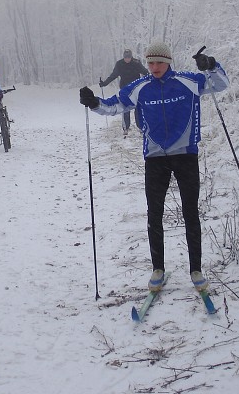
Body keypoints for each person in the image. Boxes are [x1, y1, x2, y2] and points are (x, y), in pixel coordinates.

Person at [79, 41, 229, 294]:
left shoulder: (188, 81)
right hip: (155, 158)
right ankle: (157, 269)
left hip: (185, 155)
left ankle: (196, 270)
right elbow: (115, 105)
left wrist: (211, 65)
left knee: (190, 213)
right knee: (154, 214)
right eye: (150, 62)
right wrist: (94, 102)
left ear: (168, 62)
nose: (154, 67)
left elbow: (220, 84)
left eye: (159, 62)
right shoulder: (140, 87)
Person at [98, 48, 148, 136]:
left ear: (131, 57)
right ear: (123, 57)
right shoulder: (119, 64)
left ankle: (140, 127)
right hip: (125, 89)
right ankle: (126, 127)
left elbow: (145, 72)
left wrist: (149, 80)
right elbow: (113, 75)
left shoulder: (136, 63)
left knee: (138, 108)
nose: (127, 59)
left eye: (129, 58)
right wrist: (104, 83)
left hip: (136, 89)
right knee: (125, 108)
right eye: (125, 58)